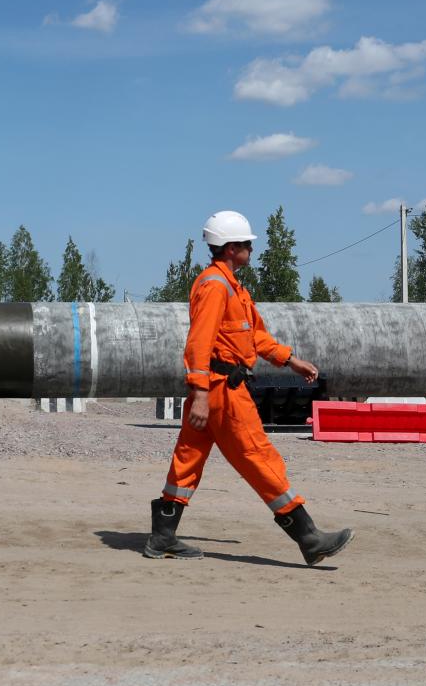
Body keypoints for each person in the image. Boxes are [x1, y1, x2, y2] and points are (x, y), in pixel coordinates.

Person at [144, 210, 354, 566]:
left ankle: (163, 537)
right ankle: (308, 536)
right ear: (230, 248)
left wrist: (290, 360)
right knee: (258, 456)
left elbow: (254, 335)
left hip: (215, 389)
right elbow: (198, 343)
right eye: (247, 245)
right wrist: (199, 393)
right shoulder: (215, 286)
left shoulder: (232, 287)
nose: (251, 251)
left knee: (188, 459)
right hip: (222, 390)